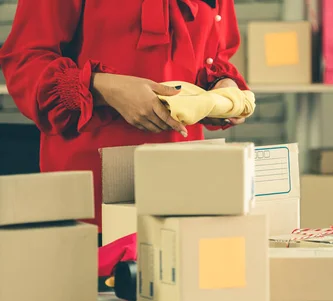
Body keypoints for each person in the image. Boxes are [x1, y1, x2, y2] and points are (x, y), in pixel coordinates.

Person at [0, 0, 248, 240]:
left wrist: (221, 86)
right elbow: (26, 62)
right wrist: (106, 89)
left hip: (183, 185)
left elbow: (213, 56)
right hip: (90, 186)